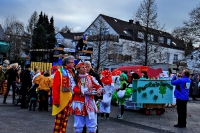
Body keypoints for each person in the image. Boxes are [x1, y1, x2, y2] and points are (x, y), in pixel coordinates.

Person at [71, 62, 102, 133]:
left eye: (86, 67)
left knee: (92, 125)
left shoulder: (91, 78)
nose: (85, 69)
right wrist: (86, 90)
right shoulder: (74, 78)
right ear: (78, 69)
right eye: (83, 67)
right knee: (78, 126)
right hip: (79, 103)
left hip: (90, 103)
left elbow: (98, 86)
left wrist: (99, 90)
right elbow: (74, 90)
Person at [52, 55, 76, 133]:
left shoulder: (72, 73)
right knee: (59, 121)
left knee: (65, 120)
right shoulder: (59, 72)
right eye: (72, 62)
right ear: (67, 63)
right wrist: (56, 101)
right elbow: (55, 87)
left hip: (69, 99)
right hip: (61, 100)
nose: (73, 64)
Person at [85, 61, 104, 133]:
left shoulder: (95, 75)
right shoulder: (80, 75)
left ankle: (95, 131)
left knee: (93, 119)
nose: (86, 68)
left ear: (90, 67)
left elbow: (100, 86)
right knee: (83, 118)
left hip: (93, 99)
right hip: (84, 99)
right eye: (85, 67)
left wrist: (99, 98)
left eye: (87, 66)